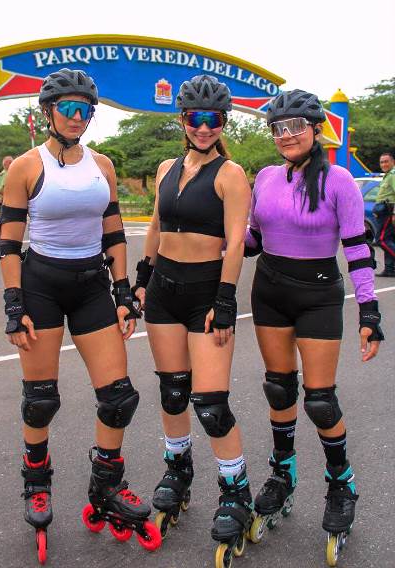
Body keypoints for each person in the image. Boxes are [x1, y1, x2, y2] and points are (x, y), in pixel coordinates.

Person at [0, 68, 160, 562]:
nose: (76, 116)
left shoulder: (102, 165)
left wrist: (123, 292)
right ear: (48, 112)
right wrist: (14, 303)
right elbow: (9, 242)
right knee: (41, 400)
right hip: (41, 285)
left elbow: (113, 232)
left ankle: (106, 485)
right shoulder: (27, 167)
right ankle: (36, 483)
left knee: (119, 398)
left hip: (91, 286)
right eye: (67, 107)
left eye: (85, 109)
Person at [244, 89, 384, 563]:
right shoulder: (265, 177)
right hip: (269, 291)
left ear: (315, 129)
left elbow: (358, 250)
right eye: (278, 128)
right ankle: (282, 473)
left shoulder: (339, 180)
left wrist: (369, 313)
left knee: (320, 401)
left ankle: (341, 483)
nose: (286, 135)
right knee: (279, 389)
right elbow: (252, 239)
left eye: (296, 126)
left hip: (318, 295)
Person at [132, 74, 253, 560]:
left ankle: (235, 491)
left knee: (211, 404)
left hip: (206, 292)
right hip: (164, 291)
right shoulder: (166, 167)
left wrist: (225, 300)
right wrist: (141, 279)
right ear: (182, 119)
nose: (204, 127)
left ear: (223, 122)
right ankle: (177, 470)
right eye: (195, 118)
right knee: (172, 391)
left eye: (213, 119)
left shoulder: (231, 174)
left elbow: (236, 241)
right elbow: (155, 226)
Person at [374, 152, 395, 277]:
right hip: (384, 212)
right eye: (382, 162)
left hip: (388, 212)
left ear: (393, 162)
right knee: (389, 239)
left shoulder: (392, 175)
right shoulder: (387, 176)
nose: (383, 164)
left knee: (381, 240)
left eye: (386, 161)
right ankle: (390, 269)